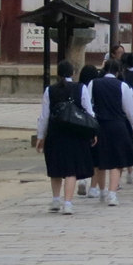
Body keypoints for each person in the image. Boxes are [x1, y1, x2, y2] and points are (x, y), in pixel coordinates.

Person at [36, 60, 91, 214]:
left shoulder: (50, 90)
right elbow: (89, 111)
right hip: (75, 132)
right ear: (73, 73)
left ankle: (55, 199)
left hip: (56, 132)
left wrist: (41, 136)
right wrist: (92, 132)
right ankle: (68, 203)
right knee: (71, 170)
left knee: (56, 167)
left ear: (58, 73)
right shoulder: (81, 88)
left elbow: (44, 116)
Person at [88, 59, 133, 206]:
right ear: (118, 71)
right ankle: (112, 193)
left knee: (100, 159)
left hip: (99, 124)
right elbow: (130, 110)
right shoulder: (122, 86)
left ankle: (102, 191)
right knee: (117, 161)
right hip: (117, 125)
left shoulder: (93, 83)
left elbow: (88, 106)